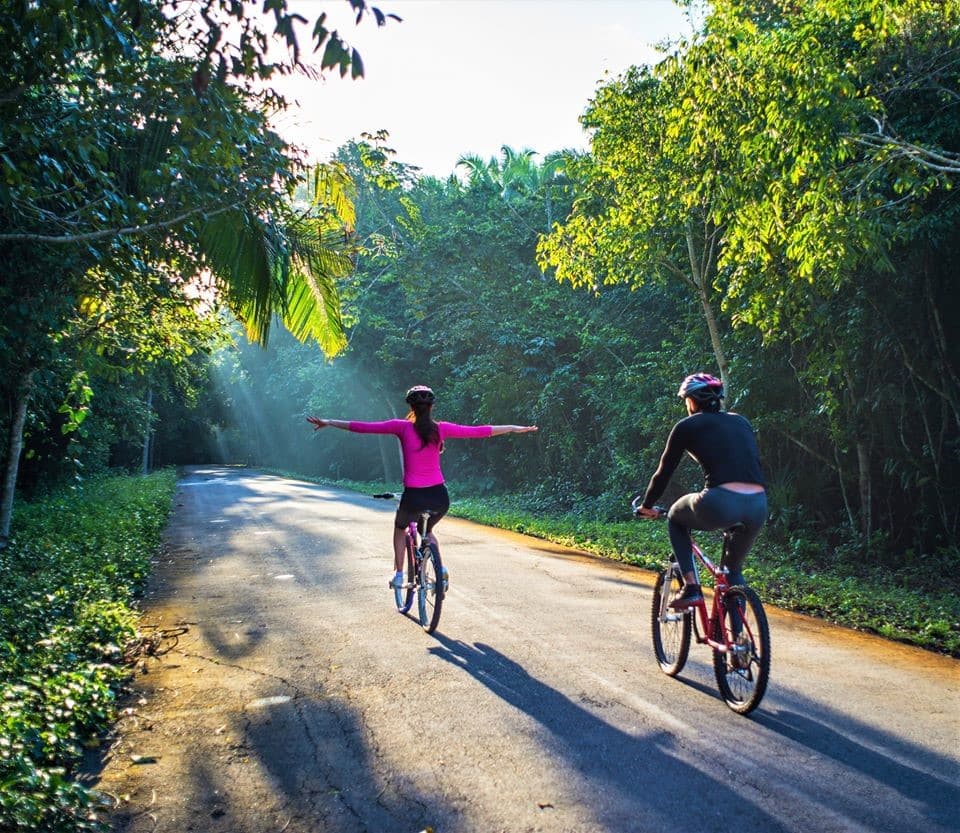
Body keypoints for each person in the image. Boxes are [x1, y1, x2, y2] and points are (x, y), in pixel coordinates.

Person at [307, 385, 538, 589]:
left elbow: (363, 427)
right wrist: (514, 428)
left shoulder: (401, 427)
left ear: (411, 407)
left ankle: (398, 575)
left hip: (414, 497)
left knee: (400, 529)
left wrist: (329, 422)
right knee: (427, 532)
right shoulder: (442, 429)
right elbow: (480, 431)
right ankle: (440, 567)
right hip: (440, 497)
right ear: (431, 407)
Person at [634, 373, 767, 610]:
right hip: (758, 504)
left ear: (693, 401)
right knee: (732, 572)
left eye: (686, 399)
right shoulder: (742, 422)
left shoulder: (687, 426)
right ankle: (738, 642)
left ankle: (691, 587)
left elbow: (664, 472)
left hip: (721, 501)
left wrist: (647, 505)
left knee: (675, 516)